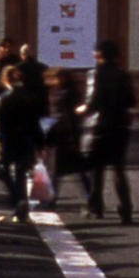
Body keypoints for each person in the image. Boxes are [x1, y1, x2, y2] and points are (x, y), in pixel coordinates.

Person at [80, 40, 136, 224]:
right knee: (119, 168)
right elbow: (131, 100)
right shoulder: (123, 75)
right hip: (120, 125)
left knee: (96, 168)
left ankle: (95, 207)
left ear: (98, 54)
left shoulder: (94, 74)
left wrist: (81, 110)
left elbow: (93, 101)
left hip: (100, 125)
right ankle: (126, 210)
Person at [0, 65, 42, 222]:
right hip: (27, 138)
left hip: (9, 138)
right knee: (21, 172)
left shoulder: (3, 98)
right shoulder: (31, 97)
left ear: (6, 80)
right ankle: (21, 211)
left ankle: (16, 198)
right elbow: (36, 122)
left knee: (3, 169)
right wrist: (40, 144)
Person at [44, 68, 90, 206]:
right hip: (64, 133)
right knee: (75, 169)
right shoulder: (58, 92)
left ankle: (51, 200)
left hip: (65, 134)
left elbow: (66, 115)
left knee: (58, 170)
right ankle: (89, 197)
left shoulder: (66, 93)